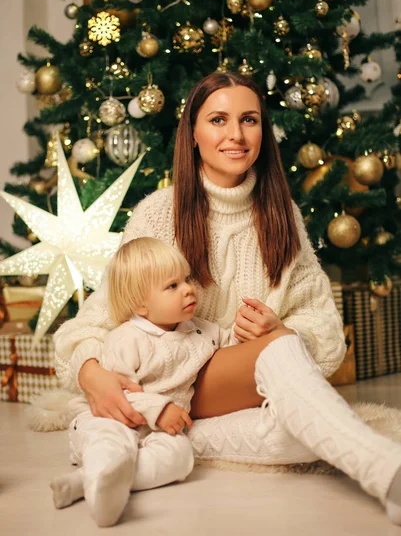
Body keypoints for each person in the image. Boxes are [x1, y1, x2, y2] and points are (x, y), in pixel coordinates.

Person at [53, 71, 401, 525]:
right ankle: (388, 471)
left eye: (249, 120)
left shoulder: (283, 214)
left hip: (236, 386)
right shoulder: (160, 212)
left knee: (295, 398)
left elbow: (326, 332)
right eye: (218, 119)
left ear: (263, 131)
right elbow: (95, 321)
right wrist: (91, 373)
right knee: (310, 417)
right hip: (164, 378)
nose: (236, 134)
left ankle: (167, 439)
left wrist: (283, 330)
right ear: (193, 134)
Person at [50, 237, 238, 527]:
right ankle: (104, 489)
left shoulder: (201, 332)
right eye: (172, 286)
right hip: (108, 417)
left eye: (186, 279)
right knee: (112, 443)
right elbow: (120, 392)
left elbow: (231, 343)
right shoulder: (126, 339)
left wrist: (250, 328)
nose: (188, 289)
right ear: (141, 306)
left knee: (180, 456)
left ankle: (90, 483)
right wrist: (159, 410)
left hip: (155, 430)